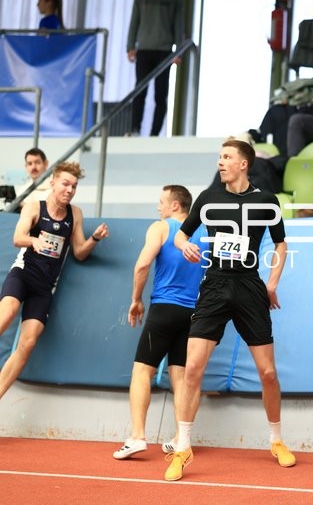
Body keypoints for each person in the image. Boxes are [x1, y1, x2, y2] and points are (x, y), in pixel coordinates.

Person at [165, 139, 292, 481]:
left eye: (227, 157)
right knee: (192, 368)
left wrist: (272, 283)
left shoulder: (266, 201)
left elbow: (281, 243)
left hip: (250, 286)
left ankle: (277, 440)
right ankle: (183, 448)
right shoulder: (208, 198)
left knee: (268, 373)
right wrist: (185, 244)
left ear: (243, 164)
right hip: (215, 284)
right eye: (219, 157)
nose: (220, 162)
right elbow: (181, 234)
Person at [0, 162, 109, 400]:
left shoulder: (75, 214)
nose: (70, 190)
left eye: (74, 186)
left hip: (44, 287)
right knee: (6, 313)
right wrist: (34, 241)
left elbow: (80, 251)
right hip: (23, 273)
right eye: (65, 184)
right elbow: (18, 237)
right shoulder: (34, 207)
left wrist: (95, 239)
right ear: (53, 183)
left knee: (27, 344)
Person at [112, 185, 206, 460]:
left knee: (142, 371)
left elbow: (142, 265)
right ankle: (181, 438)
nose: (158, 207)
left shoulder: (162, 227)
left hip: (165, 308)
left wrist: (135, 299)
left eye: (161, 202)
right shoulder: (205, 233)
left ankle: (137, 437)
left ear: (175, 205)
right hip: (194, 313)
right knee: (182, 377)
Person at [126, 0, 183, 137]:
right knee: (140, 91)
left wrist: (178, 50)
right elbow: (134, 21)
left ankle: (155, 133)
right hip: (144, 49)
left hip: (164, 51)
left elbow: (179, 25)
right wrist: (130, 45)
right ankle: (134, 129)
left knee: (161, 94)